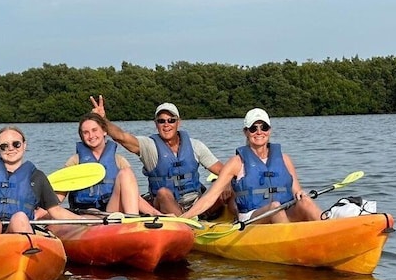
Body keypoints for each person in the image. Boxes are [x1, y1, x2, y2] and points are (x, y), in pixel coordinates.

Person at [90, 95, 228, 217]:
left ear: (178, 122)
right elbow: (121, 137)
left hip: (197, 203)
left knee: (229, 184)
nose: (166, 125)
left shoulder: (195, 146)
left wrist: (227, 184)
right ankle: (185, 226)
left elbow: (223, 171)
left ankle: (241, 222)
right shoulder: (149, 146)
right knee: (163, 193)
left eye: (171, 120)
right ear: (156, 124)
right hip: (167, 206)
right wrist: (102, 120)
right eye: (162, 121)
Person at [181, 108, 322, 224]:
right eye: (253, 128)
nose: (259, 132)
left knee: (306, 201)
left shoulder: (285, 159)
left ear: (270, 130)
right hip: (252, 217)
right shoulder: (236, 163)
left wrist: (302, 195)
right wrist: (183, 218)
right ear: (246, 132)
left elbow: (297, 191)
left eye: (264, 127)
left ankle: (330, 228)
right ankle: (291, 246)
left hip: (283, 211)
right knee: (274, 207)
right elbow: (210, 197)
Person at [58, 112, 162, 216]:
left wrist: (156, 213)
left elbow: (134, 197)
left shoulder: (119, 161)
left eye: (94, 130)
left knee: (126, 173)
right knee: (94, 213)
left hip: (112, 210)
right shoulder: (74, 162)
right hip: (86, 214)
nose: (91, 136)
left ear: (104, 131)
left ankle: (132, 219)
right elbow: (58, 196)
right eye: (86, 132)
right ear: (82, 136)